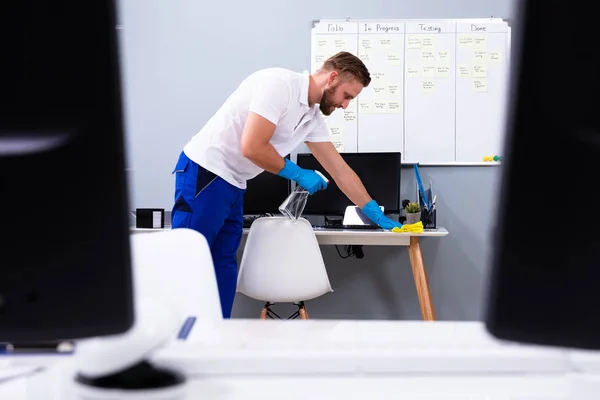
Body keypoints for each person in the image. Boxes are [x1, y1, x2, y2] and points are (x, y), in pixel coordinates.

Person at [171, 51, 402, 318]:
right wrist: (299, 174)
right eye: (347, 96)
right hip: (206, 171)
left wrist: (376, 214)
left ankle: (216, 335)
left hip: (235, 183)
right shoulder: (279, 85)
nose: (345, 105)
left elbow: (340, 171)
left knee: (222, 263)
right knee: (189, 259)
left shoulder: (311, 117)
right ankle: (176, 341)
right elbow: (252, 146)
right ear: (332, 78)